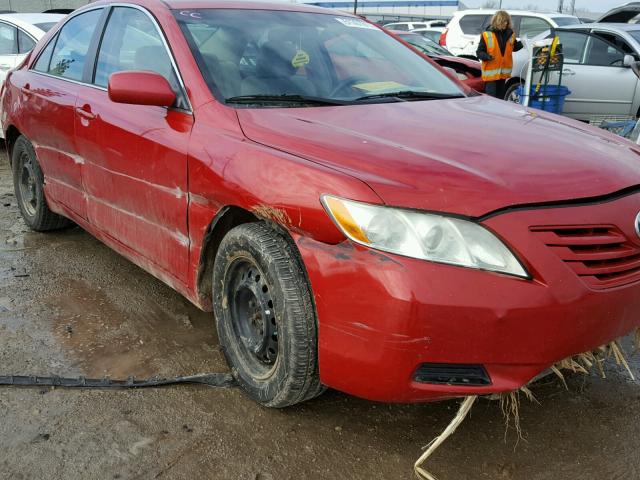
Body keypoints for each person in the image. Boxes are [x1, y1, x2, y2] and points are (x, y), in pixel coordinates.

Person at [476, 11, 523, 99]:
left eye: (507, 21)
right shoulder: (487, 34)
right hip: (491, 75)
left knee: (500, 99)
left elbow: (514, 47)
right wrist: (486, 56)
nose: (506, 23)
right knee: (491, 99)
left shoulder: (510, 34)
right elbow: (479, 52)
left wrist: (524, 43)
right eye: (504, 21)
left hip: (502, 74)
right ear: (498, 21)